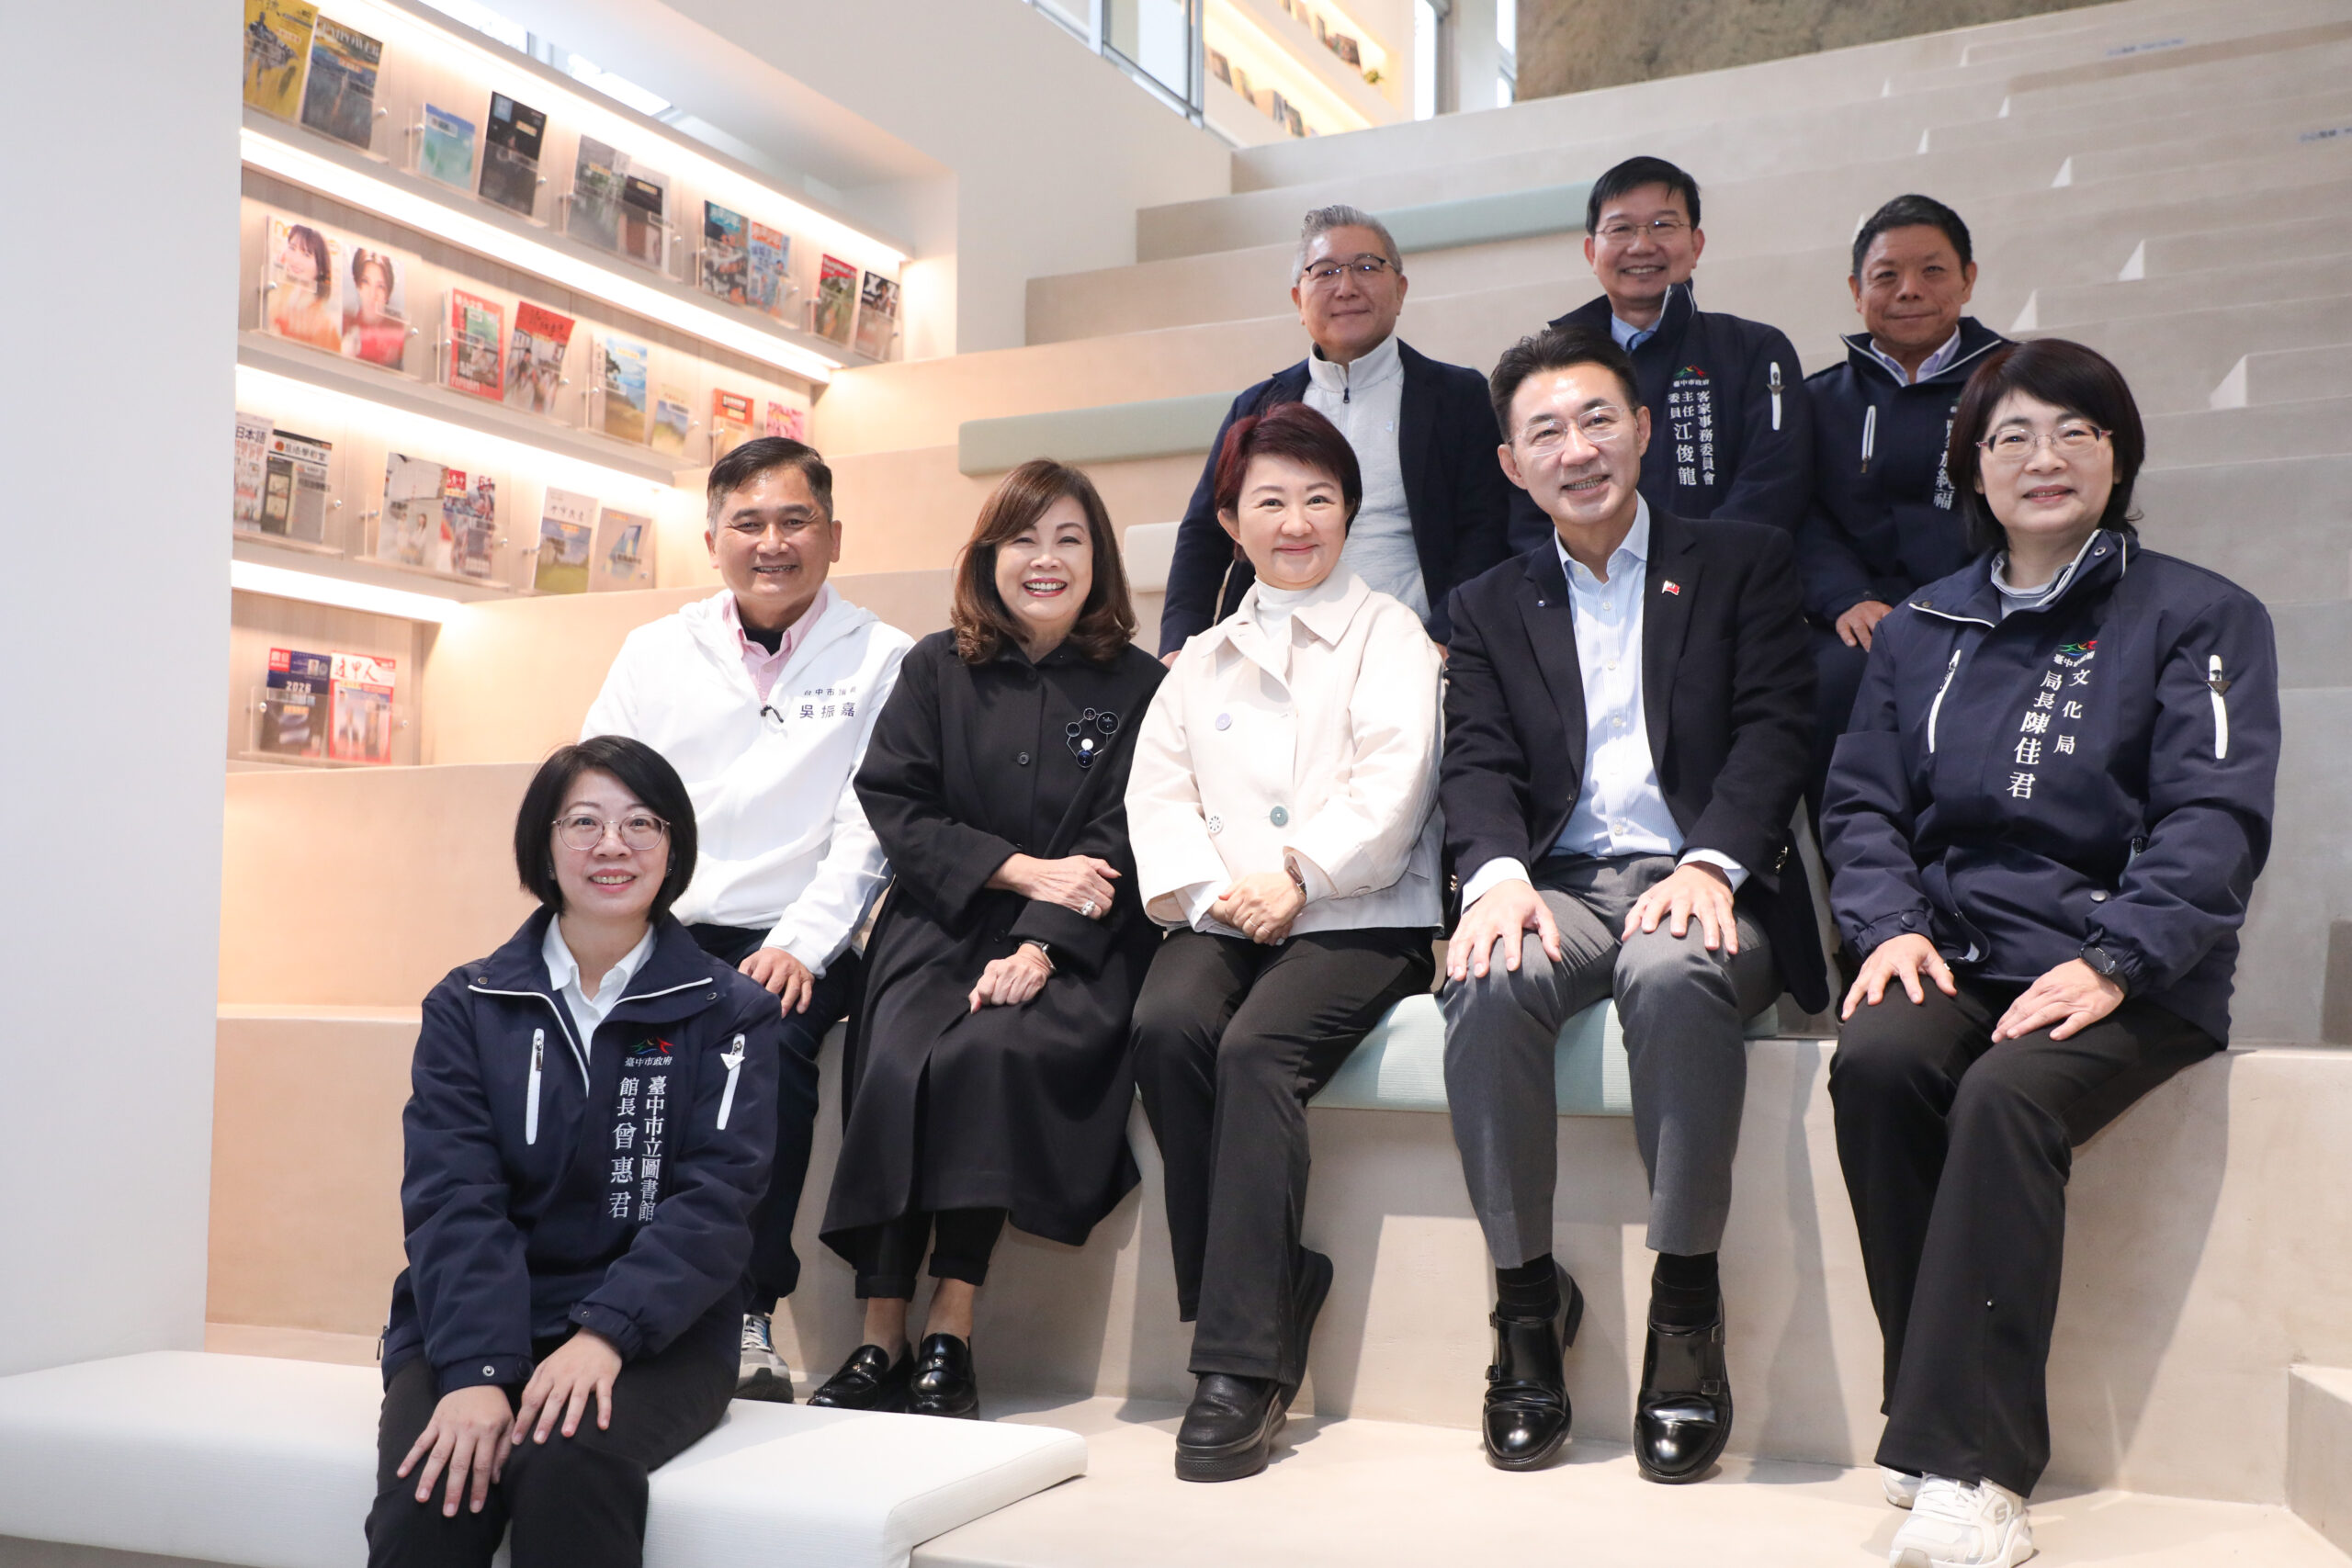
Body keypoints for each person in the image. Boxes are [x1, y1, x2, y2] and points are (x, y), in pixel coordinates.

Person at [1823, 338, 2278, 1568]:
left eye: (2077, 430)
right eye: (2013, 434)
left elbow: (2214, 818)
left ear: (2118, 455)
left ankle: (1974, 1469)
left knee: (2006, 1093)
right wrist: (1890, 923)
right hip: (1957, 951)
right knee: (1878, 1063)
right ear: (1972, 465)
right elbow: (1861, 804)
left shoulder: (2201, 616)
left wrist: (2120, 956)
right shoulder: (1922, 624)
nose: (2046, 456)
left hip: (2131, 968)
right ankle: (1930, 1418)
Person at [1441, 324, 1826, 1481]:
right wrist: (1495, 879)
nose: (1576, 450)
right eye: (1545, 432)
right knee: (1487, 977)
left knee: (1672, 970)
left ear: (1644, 429)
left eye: (1597, 419)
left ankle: (1686, 1307)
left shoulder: (1743, 561)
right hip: (1560, 884)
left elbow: (1775, 731)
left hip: (1702, 875)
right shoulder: (1488, 602)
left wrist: (1711, 863)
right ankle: (1523, 1306)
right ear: (1512, 464)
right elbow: (1477, 763)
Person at [367, 736, 781, 1568]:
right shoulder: (470, 1003)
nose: (612, 845)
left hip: (658, 1334)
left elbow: (716, 1203)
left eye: (641, 823)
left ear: (674, 847)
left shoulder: (730, 1009)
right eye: (584, 821)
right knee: (431, 1495)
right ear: (544, 844)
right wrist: (477, 1370)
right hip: (480, 1314)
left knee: (566, 1466)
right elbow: (452, 1195)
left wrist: (606, 1334)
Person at [810, 460, 1165, 1419]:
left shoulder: (1141, 685)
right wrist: (1017, 872)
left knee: (989, 1053)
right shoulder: (936, 666)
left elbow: (1126, 832)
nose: (1046, 560)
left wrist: (1042, 942)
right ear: (987, 557)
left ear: (1099, 561)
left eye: (1069, 540)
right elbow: (896, 799)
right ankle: (879, 1331)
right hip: (943, 916)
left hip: (1080, 937)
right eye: (1024, 540)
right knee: (895, 1059)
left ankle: (950, 1327)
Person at [1129, 401, 1444, 1482]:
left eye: (1318, 498)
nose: (1296, 521)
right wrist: (1220, 893)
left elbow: (1394, 786)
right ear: (1230, 521)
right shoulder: (1200, 658)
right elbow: (1158, 800)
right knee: (1166, 1022)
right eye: (1269, 500)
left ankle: (1240, 1362)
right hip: (1231, 907)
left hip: (1360, 910)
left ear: (1349, 511)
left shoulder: (1390, 632)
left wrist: (1298, 874)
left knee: (1257, 1049)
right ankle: (1267, 1284)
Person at [582, 436, 913, 1402]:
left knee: (761, 1044)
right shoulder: (655, 650)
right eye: (750, 522)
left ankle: (743, 1314)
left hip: (800, 929)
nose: (773, 543)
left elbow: (869, 828)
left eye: (795, 520)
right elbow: (599, 790)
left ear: (834, 535)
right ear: (712, 539)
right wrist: (625, 923)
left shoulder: (884, 657)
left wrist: (797, 946)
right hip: (663, 919)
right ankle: (591, 1293)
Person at [1159, 204, 1511, 653]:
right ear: (1298, 301)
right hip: (1273, 644)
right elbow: (1203, 534)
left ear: (1400, 291)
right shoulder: (1257, 406)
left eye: (1366, 267)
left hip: (1412, 645)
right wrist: (1180, 646)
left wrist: (1444, 641)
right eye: (1325, 272)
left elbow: (1485, 532)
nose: (1346, 287)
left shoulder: (1459, 396)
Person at [1798, 195, 2007, 818]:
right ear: (1856, 290)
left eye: (1933, 270)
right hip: (1862, 616)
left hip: (1990, 603)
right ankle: (1859, 871)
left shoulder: (2018, 384)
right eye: (1886, 275)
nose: (1909, 290)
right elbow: (1800, 515)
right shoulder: (1819, 400)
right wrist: (1846, 597)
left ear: (1968, 279)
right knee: (1832, 681)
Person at [1508, 157, 1812, 553]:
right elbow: (1529, 506)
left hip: (1727, 578)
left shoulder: (1756, 350)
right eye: (1621, 229)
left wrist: (1693, 570)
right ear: (1591, 251)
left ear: (1696, 245)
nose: (1641, 246)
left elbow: (1773, 487)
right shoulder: (1549, 370)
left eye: (1662, 225)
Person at [270, 221, 341, 350]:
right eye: (292, 248)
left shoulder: (323, 321)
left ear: (320, 267)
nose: (296, 260)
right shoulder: (276, 292)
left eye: (306, 254)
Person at [345, 248, 409, 367]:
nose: (372, 294)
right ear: (358, 286)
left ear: (387, 294)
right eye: (366, 282)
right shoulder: (345, 325)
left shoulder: (398, 333)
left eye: (380, 286)